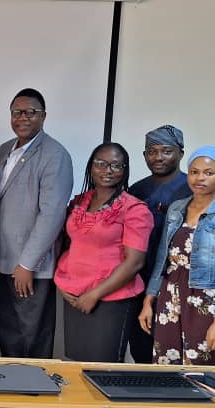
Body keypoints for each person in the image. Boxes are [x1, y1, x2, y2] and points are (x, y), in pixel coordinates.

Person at [138, 146, 215, 366]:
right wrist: (149, 300)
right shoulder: (177, 208)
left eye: (208, 172)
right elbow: (161, 259)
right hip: (169, 293)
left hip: (205, 299)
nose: (200, 178)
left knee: (201, 369)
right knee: (165, 364)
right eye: (194, 172)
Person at [0, 88, 73, 359]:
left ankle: (32, 398)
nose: (23, 117)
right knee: (7, 334)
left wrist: (27, 264)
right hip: (1, 260)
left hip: (29, 268)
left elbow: (51, 215)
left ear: (44, 116)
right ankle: (12, 395)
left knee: (31, 338)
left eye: (31, 112)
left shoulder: (55, 154)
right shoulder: (4, 150)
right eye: (17, 112)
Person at [55, 142, 152, 363]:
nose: (108, 170)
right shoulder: (80, 202)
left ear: (124, 170)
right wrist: (61, 282)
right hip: (74, 295)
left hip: (110, 298)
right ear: (91, 166)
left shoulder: (134, 209)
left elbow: (134, 263)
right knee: (76, 362)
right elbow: (71, 247)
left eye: (116, 166)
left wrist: (94, 295)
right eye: (101, 163)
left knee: (103, 367)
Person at [127, 125, 192, 363]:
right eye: (152, 151)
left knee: (175, 347)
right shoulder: (137, 189)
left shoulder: (193, 188)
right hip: (140, 277)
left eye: (166, 151)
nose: (158, 157)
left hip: (179, 280)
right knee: (142, 345)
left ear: (180, 154)